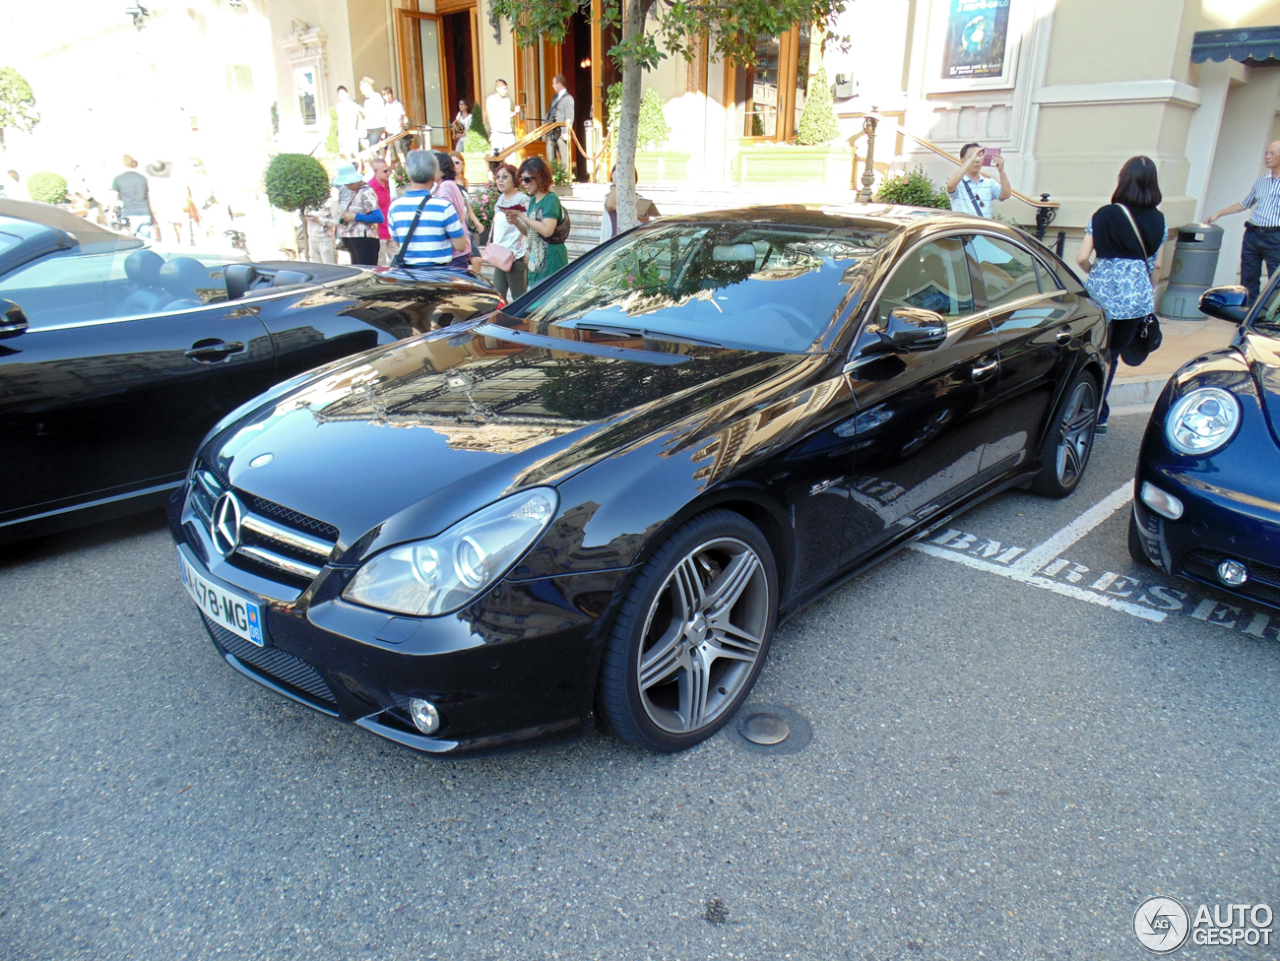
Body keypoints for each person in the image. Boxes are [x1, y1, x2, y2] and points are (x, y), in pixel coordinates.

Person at [1075, 155, 1165, 433]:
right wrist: (1140, 286)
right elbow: (1157, 266)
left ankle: (1083, 406)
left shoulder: (1103, 214)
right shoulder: (1159, 220)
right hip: (1134, 300)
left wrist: (1097, 273)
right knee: (1112, 354)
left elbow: (1081, 258)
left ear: (1123, 181)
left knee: (1092, 350)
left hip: (1100, 297)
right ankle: (1099, 413)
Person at [1205, 140, 1280, 304]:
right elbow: (1245, 204)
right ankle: (1246, 316)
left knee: (1276, 280)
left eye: (1271, 153)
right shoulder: (1262, 181)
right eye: (1266, 153)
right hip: (1253, 233)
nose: (1267, 157)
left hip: (1276, 236)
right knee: (1248, 277)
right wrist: (1219, 213)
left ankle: (1270, 319)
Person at [387, 149, 468, 267]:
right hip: (438, 275)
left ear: (409, 174)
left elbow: (398, 242)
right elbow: (461, 246)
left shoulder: (395, 207)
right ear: (434, 173)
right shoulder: (444, 207)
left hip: (409, 275)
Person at [505, 157, 567, 286]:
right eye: (522, 180)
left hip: (551, 263)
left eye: (528, 179)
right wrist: (516, 221)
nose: (524, 184)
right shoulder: (533, 200)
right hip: (536, 264)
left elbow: (547, 230)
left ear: (540, 177)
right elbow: (531, 232)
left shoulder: (551, 199)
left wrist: (523, 217)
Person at [488, 163, 529, 299]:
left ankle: (522, 321)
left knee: (519, 299)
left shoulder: (522, 199)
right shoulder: (500, 199)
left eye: (505, 177)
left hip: (515, 256)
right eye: (498, 177)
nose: (500, 180)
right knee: (497, 298)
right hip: (500, 255)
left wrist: (528, 249)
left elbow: (529, 226)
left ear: (515, 180)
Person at [430, 151, 474, 270]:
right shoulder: (446, 185)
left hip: (455, 251)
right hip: (456, 249)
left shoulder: (446, 186)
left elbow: (445, 214)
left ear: (442, 169)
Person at [333, 164, 383, 265]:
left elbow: (379, 217)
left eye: (348, 184)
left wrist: (355, 217)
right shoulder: (355, 191)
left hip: (364, 240)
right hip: (354, 239)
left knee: (366, 270)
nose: (347, 186)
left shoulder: (366, 192)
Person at [946, 142, 1011, 218]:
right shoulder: (958, 183)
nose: (976, 160)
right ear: (963, 161)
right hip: (964, 228)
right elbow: (950, 186)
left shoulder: (989, 183)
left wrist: (1001, 171)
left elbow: (1006, 195)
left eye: (980, 156)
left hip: (982, 229)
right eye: (972, 157)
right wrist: (971, 161)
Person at [600, 164, 659, 242]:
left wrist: (645, 221)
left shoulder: (640, 199)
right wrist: (615, 182)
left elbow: (649, 226)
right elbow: (610, 206)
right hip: (613, 243)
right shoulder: (609, 197)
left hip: (633, 242)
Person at [449, 150, 486, 271]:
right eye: (452, 163)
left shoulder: (464, 181)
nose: (455, 166)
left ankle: (473, 284)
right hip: (458, 225)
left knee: (477, 260)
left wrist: (476, 221)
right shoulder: (449, 183)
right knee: (473, 259)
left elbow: (467, 204)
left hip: (466, 225)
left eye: (457, 162)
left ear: (463, 164)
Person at [112, 155, 159, 240]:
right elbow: (148, 198)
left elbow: (114, 199)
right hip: (145, 213)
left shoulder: (118, 179)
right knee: (146, 242)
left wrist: (115, 213)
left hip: (129, 214)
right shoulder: (143, 178)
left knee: (131, 243)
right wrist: (153, 215)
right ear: (134, 164)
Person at [367, 159, 397, 265]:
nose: (388, 173)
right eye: (385, 171)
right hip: (378, 234)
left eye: (388, 171)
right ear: (376, 171)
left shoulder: (387, 184)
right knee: (381, 266)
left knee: (398, 262)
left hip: (389, 230)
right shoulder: (370, 188)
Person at [545, 74, 575, 171]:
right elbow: (549, 112)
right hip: (551, 131)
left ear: (559, 84)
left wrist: (566, 132)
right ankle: (552, 179)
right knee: (551, 158)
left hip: (561, 132)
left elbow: (569, 116)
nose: (552, 86)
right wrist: (545, 126)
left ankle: (565, 180)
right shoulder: (554, 97)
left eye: (554, 84)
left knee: (564, 159)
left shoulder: (568, 98)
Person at [303, 186, 340, 264]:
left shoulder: (331, 202)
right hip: (312, 239)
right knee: (317, 269)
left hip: (325, 239)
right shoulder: (307, 203)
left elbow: (339, 222)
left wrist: (320, 220)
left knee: (330, 268)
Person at [486, 79, 520, 155]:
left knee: (511, 156)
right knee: (496, 157)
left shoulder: (507, 100)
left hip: (508, 133)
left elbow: (507, 115)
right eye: (504, 89)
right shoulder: (491, 99)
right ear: (497, 89)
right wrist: (494, 130)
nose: (506, 91)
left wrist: (515, 112)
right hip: (497, 133)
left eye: (506, 89)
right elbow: (490, 115)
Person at [334, 85, 363, 157]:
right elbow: (339, 121)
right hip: (343, 134)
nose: (342, 96)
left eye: (343, 93)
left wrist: (356, 131)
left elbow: (357, 119)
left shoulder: (353, 105)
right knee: (345, 155)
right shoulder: (339, 106)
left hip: (352, 133)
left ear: (347, 94)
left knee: (355, 155)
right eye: (340, 94)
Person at [382, 86, 410, 161]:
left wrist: (401, 128)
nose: (383, 97)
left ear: (389, 94)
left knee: (399, 151)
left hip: (397, 131)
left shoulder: (398, 105)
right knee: (388, 151)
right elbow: (386, 119)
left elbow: (404, 117)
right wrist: (384, 131)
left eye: (384, 94)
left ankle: (404, 168)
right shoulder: (386, 105)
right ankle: (388, 170)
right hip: (389, 131)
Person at [360, 77, 386, 153]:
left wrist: (364, 110)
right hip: (369, 127)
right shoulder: (366, 101)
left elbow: (377, 112)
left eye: (363, 91)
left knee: (372, 147)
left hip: (377, 127)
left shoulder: (376, 97)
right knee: (372, 148)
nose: (362, 93)